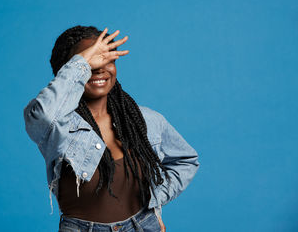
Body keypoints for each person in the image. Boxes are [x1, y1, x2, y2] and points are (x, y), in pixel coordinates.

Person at [23, 25, 200, 232]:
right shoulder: (58, 127)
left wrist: (154, 205)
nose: (99, 68)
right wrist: (81, 64)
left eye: (107, 59)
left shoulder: (142, 120)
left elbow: (186, 160)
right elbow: (43, 115)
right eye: (91, 61)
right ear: (69, 71)